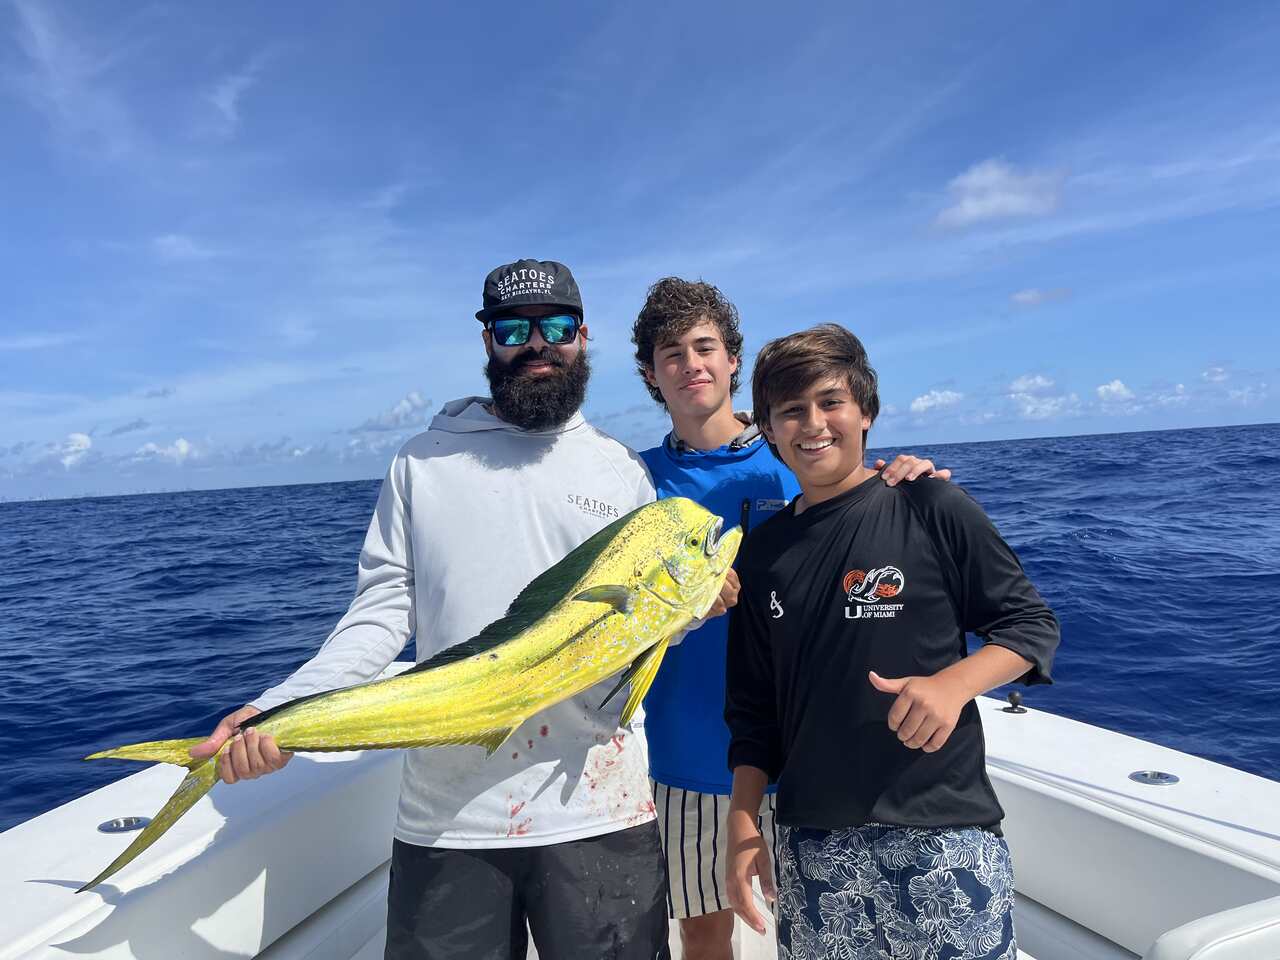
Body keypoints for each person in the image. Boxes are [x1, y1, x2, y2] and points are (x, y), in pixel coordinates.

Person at [189, 259, 734, 960]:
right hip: (446, 822)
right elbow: (380, 616)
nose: (537, 345)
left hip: (598, 808)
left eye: (557, 327)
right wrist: (281, 707)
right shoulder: (421, 462)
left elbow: (641, 625)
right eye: (514, 328)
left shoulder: (619, 469)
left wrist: (694, 606)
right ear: (487, 342)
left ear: (583, 336)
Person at [631, 284, 948, 960]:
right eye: (671, 353)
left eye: (705, 347)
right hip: (689, 756)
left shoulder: (797, 452)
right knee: (705, 931)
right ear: (649, 374)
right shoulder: (632, 481)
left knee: (831, 935)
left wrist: (909, 477)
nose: (691, 364)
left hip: (815, 752)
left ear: (733, 360)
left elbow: (866, 499)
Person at [724, 323, 1060, 960]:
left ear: (866, 412)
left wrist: (953, 685)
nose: (814, 423)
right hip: (812, 843)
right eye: (791, 411)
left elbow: (1029, 626)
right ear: (767, 430)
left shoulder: (931, 504)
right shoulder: (761, 554)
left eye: (831, 402)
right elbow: (753, 711)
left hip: (944, 834)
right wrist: (743, 824)